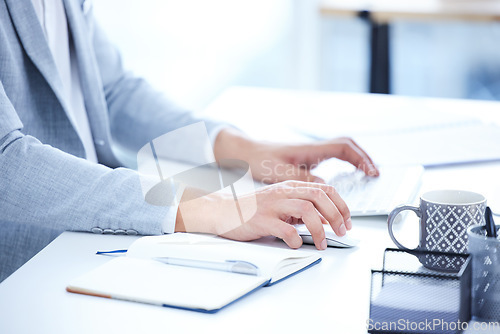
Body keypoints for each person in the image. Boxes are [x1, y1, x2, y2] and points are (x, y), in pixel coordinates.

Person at [0, 0, 379, 282]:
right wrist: (214, 209)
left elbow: (110, 90)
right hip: (26, 268)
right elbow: (7, 163)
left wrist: (244, 151)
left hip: (88, 239)